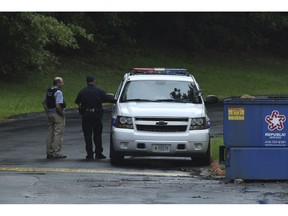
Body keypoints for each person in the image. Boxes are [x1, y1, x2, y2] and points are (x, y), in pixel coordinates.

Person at [75, 75, 111, 160]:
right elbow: (107, 98)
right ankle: (98, 153)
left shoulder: (82, 91)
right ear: (94, 81)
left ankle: (89, 154)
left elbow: (77, 101)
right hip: (96, 115)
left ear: (87, 82)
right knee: (97, 134)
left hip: (86, 115)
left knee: (87, 135)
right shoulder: (99, 91)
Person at [42, 77, 67, 159]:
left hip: (50, 113)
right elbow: (58, 106)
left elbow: (44, 102)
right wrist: (62, 114)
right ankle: (56, 152)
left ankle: (49, 152)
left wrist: (48, 112)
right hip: (57, 114)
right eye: (62, 82)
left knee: (50, 133)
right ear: (58, 83)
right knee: (58, 133)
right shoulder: (58, 92)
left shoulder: (49, 90)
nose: (63, 84)